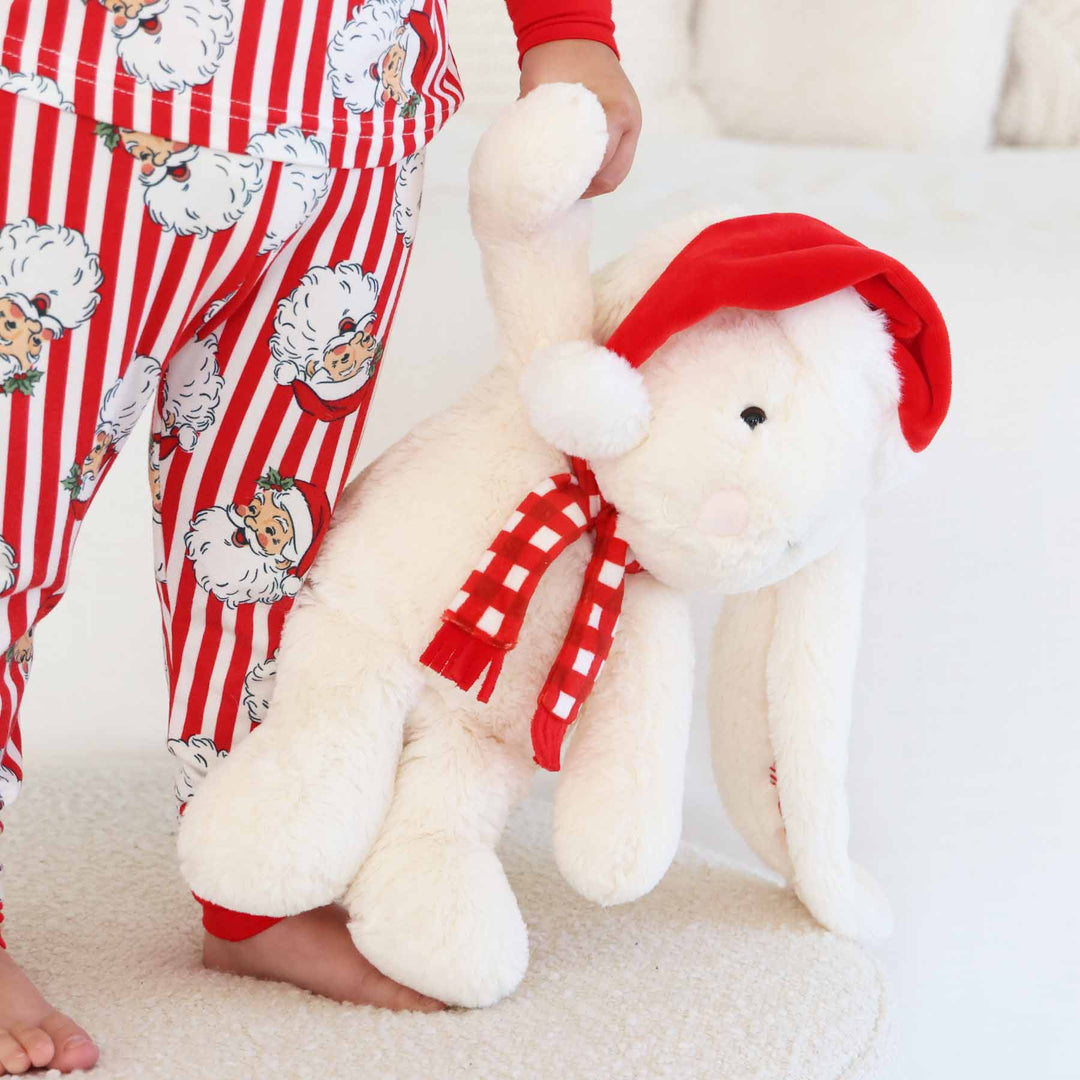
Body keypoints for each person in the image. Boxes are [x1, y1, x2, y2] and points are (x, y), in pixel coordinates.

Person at [0, 0, 641, 1072]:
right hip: (73, 98)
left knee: (268, 543)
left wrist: (566, 28)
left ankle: (257, 883)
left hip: (346, 111)